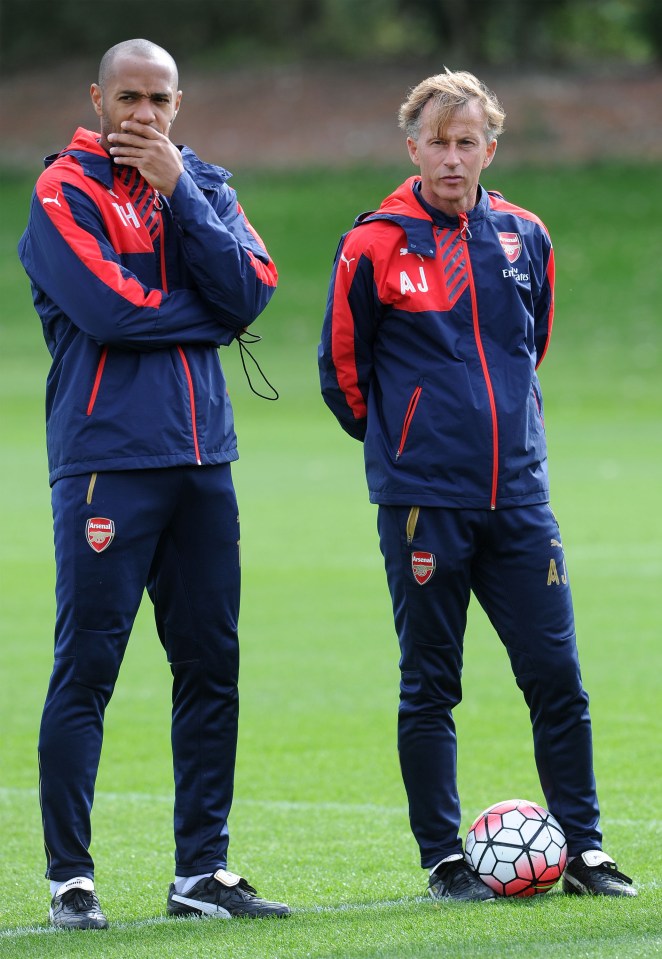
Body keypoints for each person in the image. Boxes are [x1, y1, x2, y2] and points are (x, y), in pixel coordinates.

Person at [318, 69, 637, 902]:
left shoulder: (526, 236)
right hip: (425, 501)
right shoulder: (375, 243)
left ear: (491, 148)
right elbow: (343, 371)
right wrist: (407, 445)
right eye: (439, 141)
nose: (453, 157)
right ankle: (442, 857)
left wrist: (504, 441)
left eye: (469, 142)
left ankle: (586, 849)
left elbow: (533, 347)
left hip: (522, 499)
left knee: (557, 675)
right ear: (412, 146)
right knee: (431, 682)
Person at [18, 38, 290, 929]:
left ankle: (200, 872)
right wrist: (204, 315)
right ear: (97, 96)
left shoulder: (202, 184)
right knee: (88, 666)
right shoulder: (64, 191)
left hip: (205, 460)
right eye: (127, 96)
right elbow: (107, 311)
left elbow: (250, 290)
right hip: (108, 461)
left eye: (159, 99)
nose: (142, 114)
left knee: (212, 666)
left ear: (179, 104)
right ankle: (69, 877)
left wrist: (182, 195)